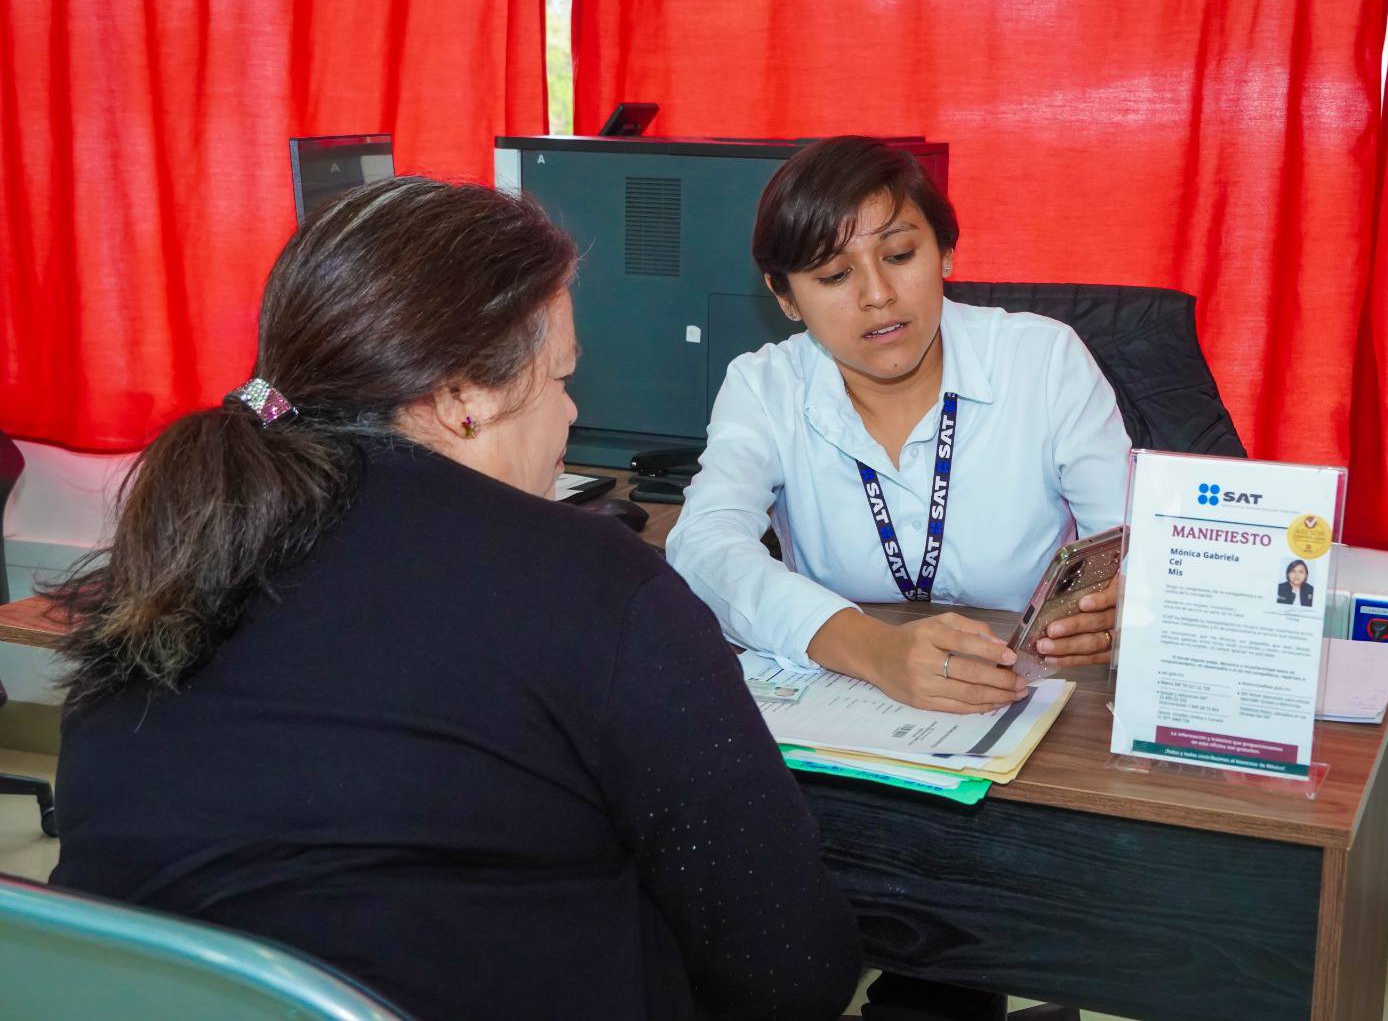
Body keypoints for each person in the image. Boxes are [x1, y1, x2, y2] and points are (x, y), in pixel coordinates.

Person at [46, 178, 862, 1021]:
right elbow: (792, 972)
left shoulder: (178, 555)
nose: (572, 414)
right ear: (461, 396)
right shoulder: (590, 581)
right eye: (562, 377)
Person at [666, 136, 1132, 714]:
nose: (878, 295)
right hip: (849, 699)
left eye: (900, 255)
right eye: (834, 275)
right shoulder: (765, 387)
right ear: (786, 298)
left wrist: (1124, 605)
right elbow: (703, 545)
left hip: (1037, 695)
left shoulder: (1043, 361)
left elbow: (1130, 542)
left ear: (945, 253)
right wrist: (874, 651)